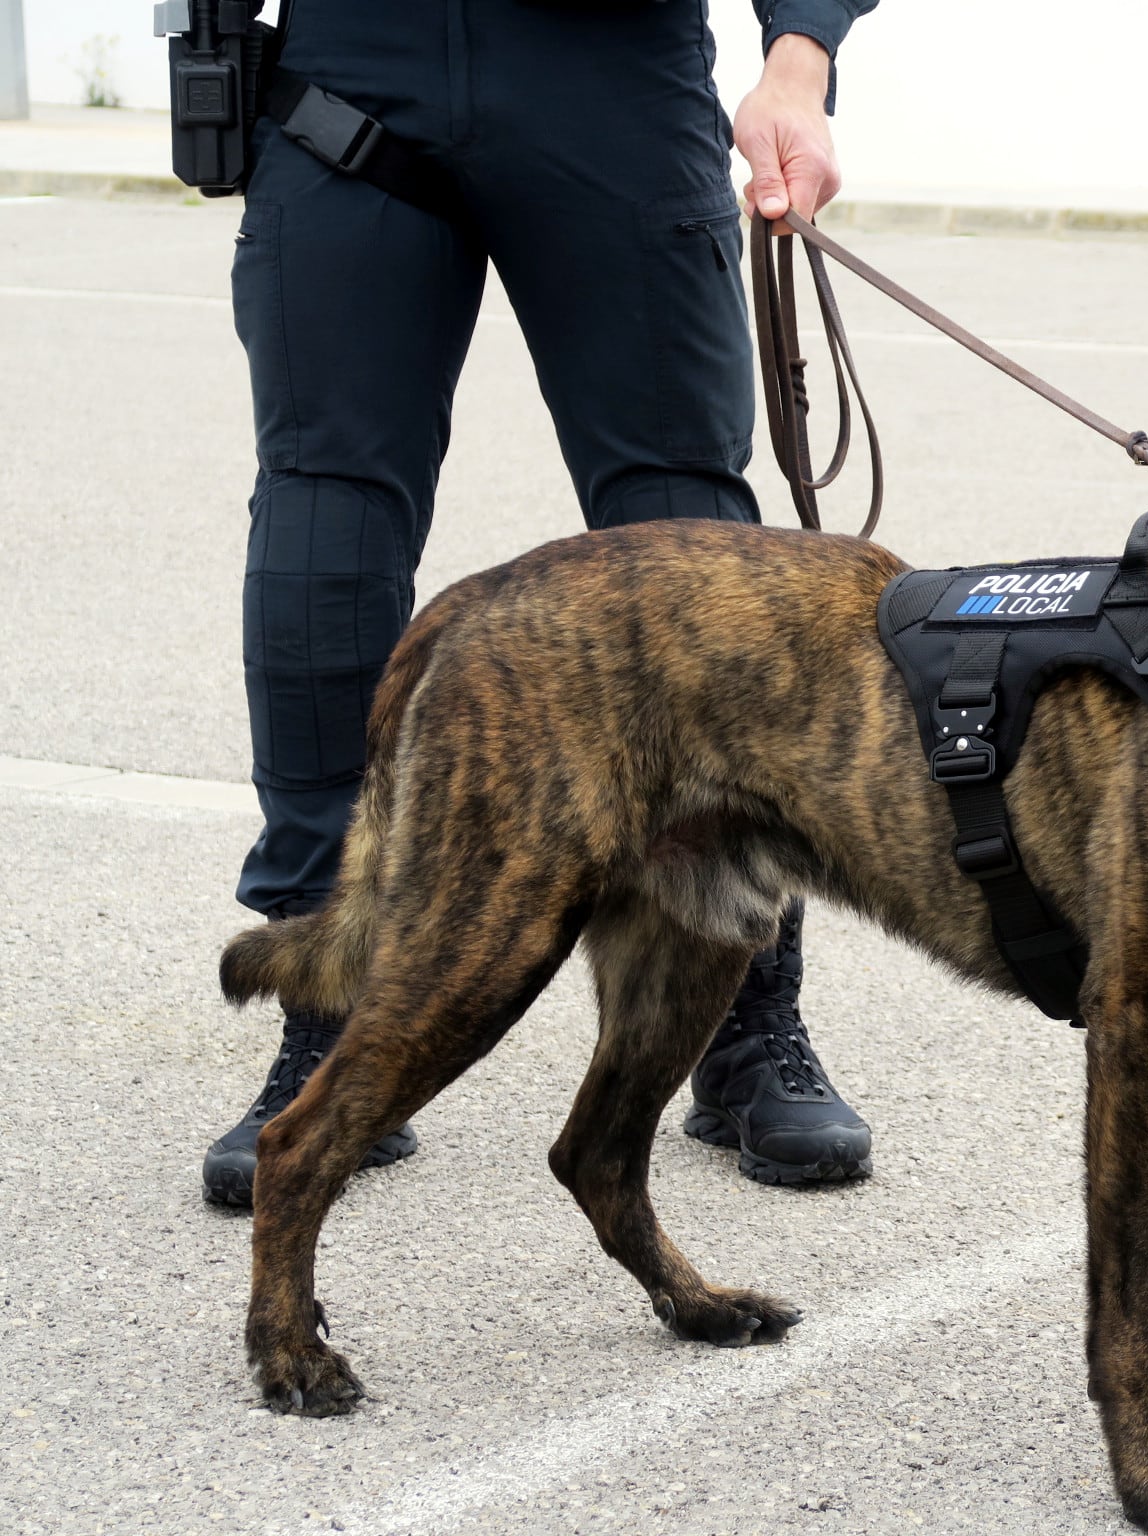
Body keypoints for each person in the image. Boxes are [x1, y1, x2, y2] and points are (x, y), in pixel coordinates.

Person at [202, 0, 881, 1206]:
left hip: (605, 70)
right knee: (325, 533)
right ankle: (331, 1006)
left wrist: (799, 59)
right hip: (351, 73)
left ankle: (739, 1014)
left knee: (685, 542)